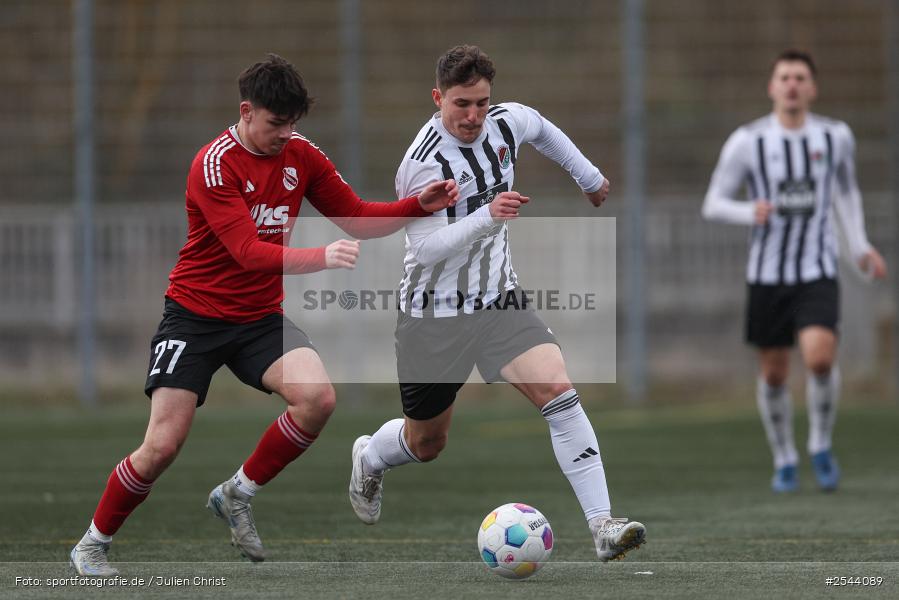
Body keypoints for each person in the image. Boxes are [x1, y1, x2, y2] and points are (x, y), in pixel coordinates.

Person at [69, 54, 458, 576]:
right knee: (162, 444)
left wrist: (417, 205)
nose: (285, 134)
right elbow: (246, 251)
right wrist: (321, 257)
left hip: (257, 319)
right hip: (195, 317)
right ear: (247, 112)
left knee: (318, 400)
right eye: (276, 123)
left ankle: (237, 492)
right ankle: (93, 542)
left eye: (293, 123)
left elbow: (358, 218)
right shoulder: (214, 164)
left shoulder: (302, 155)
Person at [348, 45, 646, 562]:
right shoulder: (423, 164)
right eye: (461, 104)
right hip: (433, 316)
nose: (473, 116)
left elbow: (541, 127)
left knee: (559, 390)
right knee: (426, 444)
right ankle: (371, 455)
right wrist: (488, 215)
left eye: (482, 103)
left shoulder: (505, 123)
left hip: (498, 299)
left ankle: (601, 525)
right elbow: (425, 247)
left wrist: (589, 177)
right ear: (438, 98)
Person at [702, 49, 887, 493]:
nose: (792, 84)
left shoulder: (835, 136)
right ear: (771, 87)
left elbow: (846, 193)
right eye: (784, 77)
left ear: (812, 88)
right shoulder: (748, 141)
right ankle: (785, 456)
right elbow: (713, 203)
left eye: (800, 77)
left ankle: (820, 444)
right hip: (767, 274)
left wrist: (859, 245)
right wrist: (751, 211)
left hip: (817, 268)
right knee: (775, 373)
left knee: (821, 358)